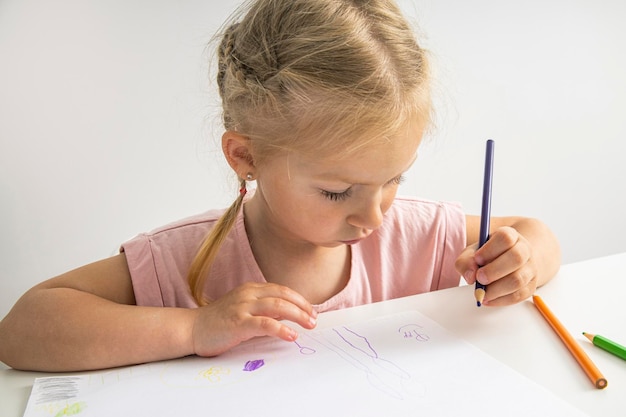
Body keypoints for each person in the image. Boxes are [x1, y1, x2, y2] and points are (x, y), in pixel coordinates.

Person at [0, 0, 560, 372]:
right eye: (338, 191)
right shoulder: (185, 259)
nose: (374, 217)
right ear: (246, 157)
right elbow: (22, 329)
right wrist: (194, 327)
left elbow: (534, 233)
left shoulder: (416, 233)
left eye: (394, 179)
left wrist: (525, 257)